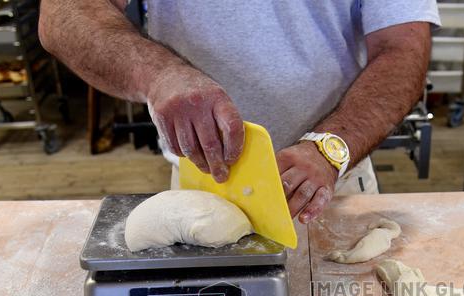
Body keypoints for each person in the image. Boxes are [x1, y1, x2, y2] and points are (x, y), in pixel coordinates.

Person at [39, 1, 437, 224]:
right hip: (208, 183)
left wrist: (331, 149)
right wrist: (159, 74)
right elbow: (65, 13)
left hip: (334, 178)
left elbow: (403, 48)